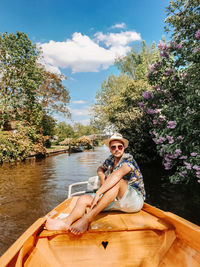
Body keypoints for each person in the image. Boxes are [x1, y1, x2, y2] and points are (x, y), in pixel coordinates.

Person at [45, 133, 145, 235]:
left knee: (117, 182)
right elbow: (100, 168)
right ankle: (66, 222)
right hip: (116, 201)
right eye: (113, 147)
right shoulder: (110, 159)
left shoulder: (128, 159)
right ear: (110, 149)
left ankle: (87, 219)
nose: (117, 149)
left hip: (133, 201)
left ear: (124, 148)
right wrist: (102, 177)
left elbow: (118, 174)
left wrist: (98, 193)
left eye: (120, 146)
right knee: (83, 199)